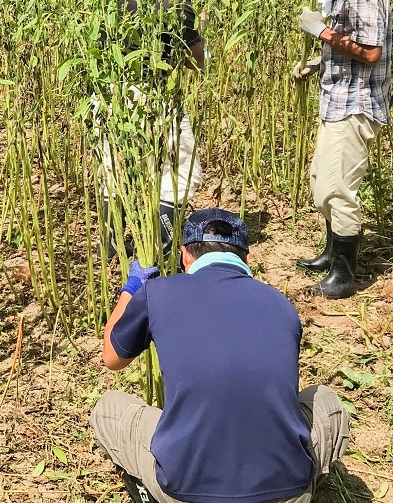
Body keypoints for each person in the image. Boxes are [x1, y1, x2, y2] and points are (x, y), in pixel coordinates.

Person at [91, 208, 351, 503]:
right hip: (287, 492)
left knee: (108, 407)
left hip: (183, 488)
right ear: (247, 258)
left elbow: (112, 358)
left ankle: (152, 494)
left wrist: (132, 288)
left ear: (185, 255)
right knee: (327, 400)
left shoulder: (158, 292)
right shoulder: (280, 304)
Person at [289, 0, 392, 299]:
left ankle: (345, 273)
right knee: (321, 181)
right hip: (338, 98)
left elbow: (370, 51)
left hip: (356, 103)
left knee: (336, 189)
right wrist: (316, 63)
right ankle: (333, 254)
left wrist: (323, 33)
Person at [95, 0, 205, 261]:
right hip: (158, 92)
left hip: (113, 92)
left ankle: (110, 249)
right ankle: (160, 247)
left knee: (114, 169)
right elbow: (195, 60)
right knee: (178, 169)